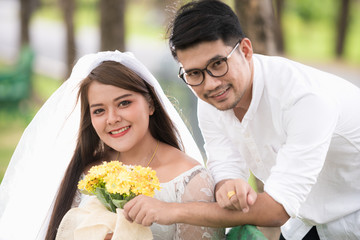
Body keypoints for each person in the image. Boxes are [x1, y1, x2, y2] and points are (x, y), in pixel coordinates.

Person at [122, 1, 360, 239]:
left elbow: (277, 210)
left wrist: (171, 211)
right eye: (194, 73)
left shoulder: (305, 100)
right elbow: (225, 164)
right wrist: (229, 186)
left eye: (218, 64)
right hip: (305, 224)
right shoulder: (212, 99)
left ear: (245, 50)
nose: (211, 84)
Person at [0, 51, 225, 240]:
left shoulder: (190, 181)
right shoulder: (87, 174)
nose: (112, 118)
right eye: (99, 110)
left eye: (124, 103)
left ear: (150, 104)